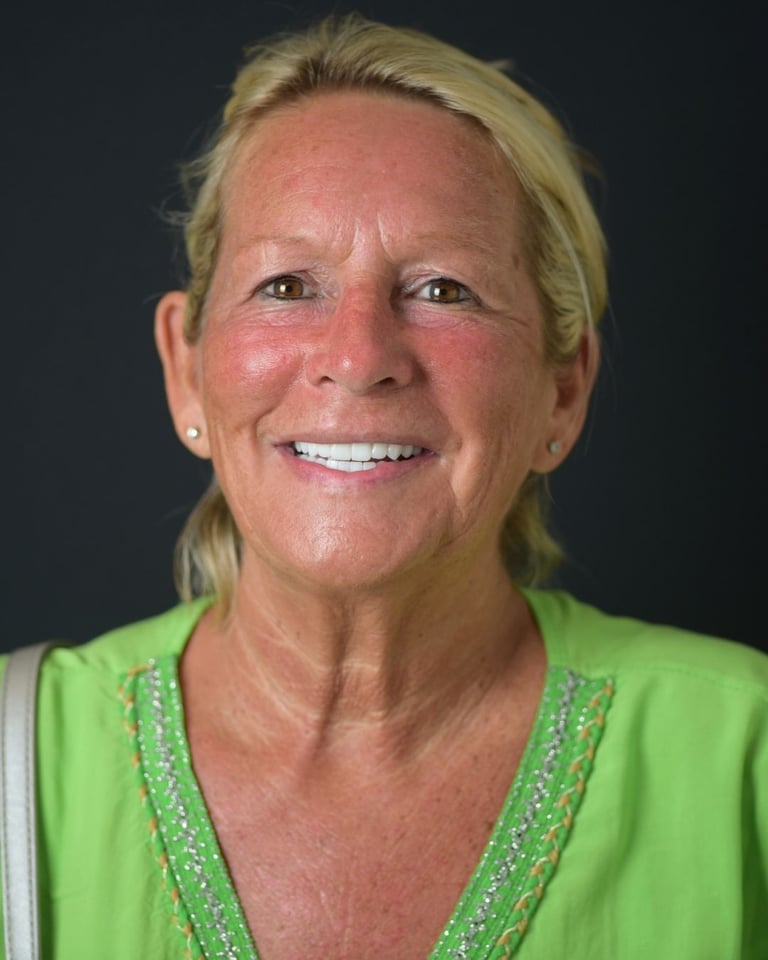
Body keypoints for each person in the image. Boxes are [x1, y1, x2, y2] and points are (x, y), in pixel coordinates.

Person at [1, 13, 766, 959]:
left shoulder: (747, 759)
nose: (359, 357)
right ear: (186, 369)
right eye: (286, 285)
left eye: (444, 289)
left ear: (562, 392)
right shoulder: (14, 766)